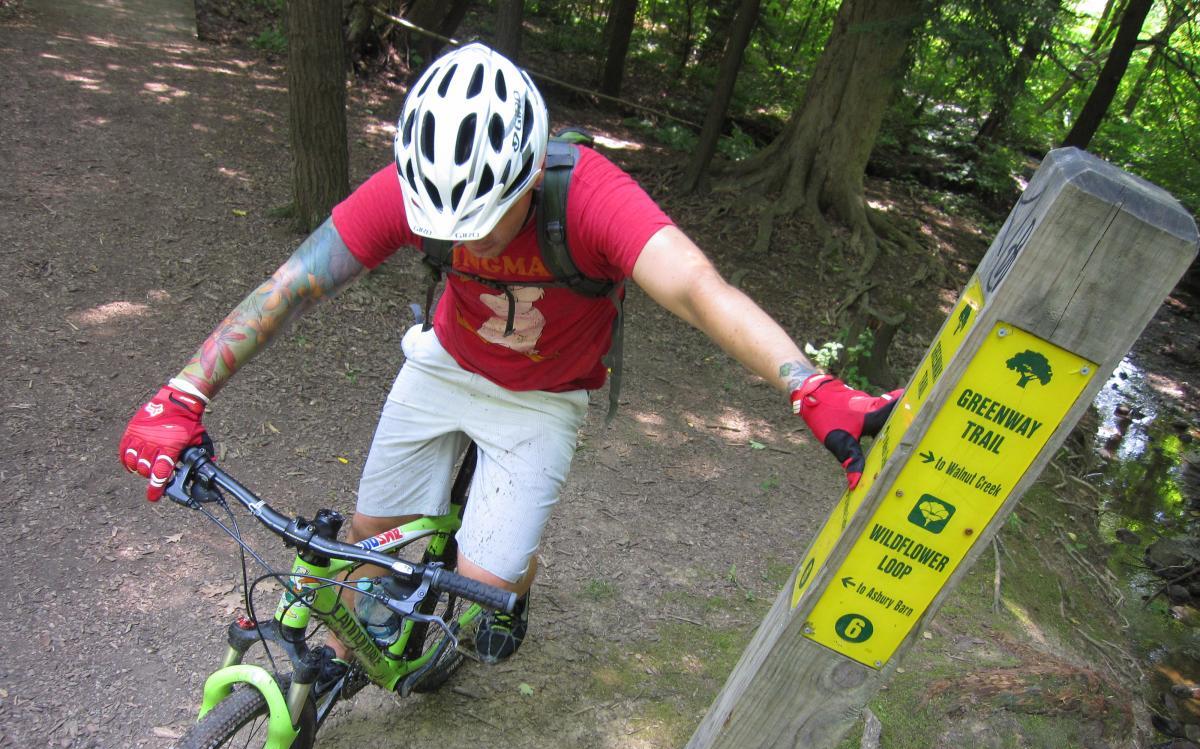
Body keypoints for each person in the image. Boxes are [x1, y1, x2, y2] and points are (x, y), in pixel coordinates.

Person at [120, 42, 900, 671]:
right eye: (446, 222)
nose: (466, 239)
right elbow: (292, 284)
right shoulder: (416, 184)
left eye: (486, 219)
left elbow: (699, 288)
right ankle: (348, 652)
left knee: (485, 583)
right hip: (444, 365)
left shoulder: (590, 195)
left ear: (529, 169)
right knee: (367, 540)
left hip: (543, 398)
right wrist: (185, 392)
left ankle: (513, 594)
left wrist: (808, 384)